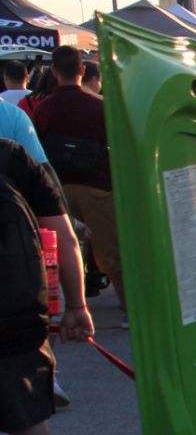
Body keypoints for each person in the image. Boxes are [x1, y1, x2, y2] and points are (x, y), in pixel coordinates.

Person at [0, 136, 91, 435]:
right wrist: (76, 306)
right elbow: (63, 236)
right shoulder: (10, 156)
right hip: (15, 310)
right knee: (26, 411)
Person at [29, 46, 121, 314]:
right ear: (82, 69)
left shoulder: (44, 108)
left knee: (62, 250)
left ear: (54, 72)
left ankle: (68, 304)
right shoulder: (99, 106)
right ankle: (128, 307)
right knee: (110, 253)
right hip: (98, 186)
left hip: (58, 189)